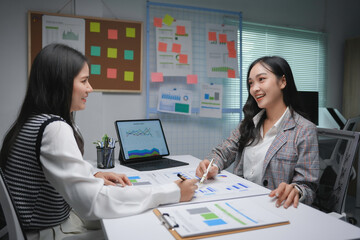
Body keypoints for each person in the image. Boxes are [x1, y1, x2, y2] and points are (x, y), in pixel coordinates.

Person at [0, 43, 198, 239]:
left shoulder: (32, 120)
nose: (90, 89)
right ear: (61, 83)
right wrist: (171, 192)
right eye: (84, 81)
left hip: (43, 225)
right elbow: (93, 202)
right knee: (138, 227)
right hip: (49, 232)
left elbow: (55, 170)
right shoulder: (54, 129)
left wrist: (92, 174)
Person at [196, 56, 319, 209]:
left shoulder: (304, 130)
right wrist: (210, 163)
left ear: (282, 82)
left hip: (276, 209)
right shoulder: (249, 123)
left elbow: (308, 187)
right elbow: (222, 152)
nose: (254, 88)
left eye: (261, 79)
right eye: (251, 83)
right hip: (241, 202)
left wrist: (296, 191)